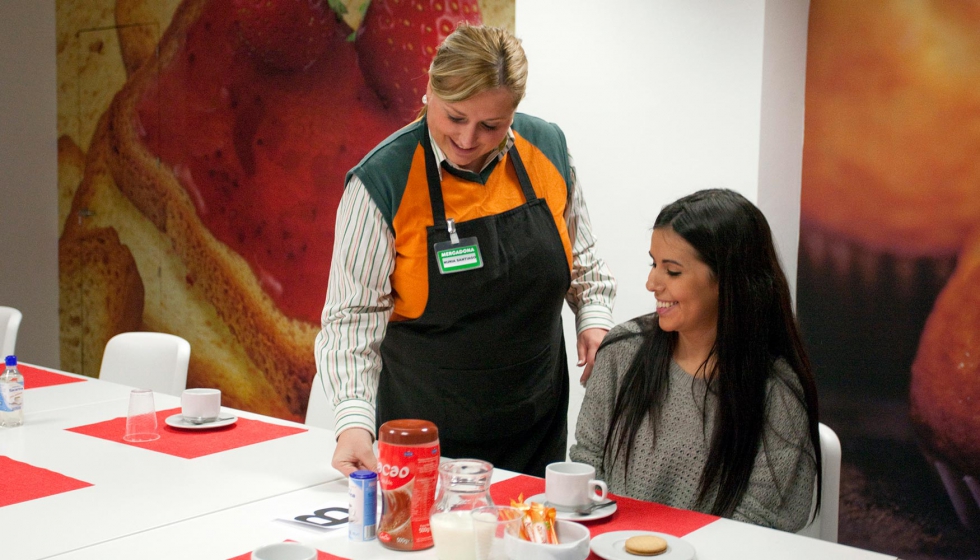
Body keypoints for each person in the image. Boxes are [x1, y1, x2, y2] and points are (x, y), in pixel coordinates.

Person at [315, 24, 616, 478]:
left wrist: (594, 321)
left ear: (513, 112)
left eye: (491, 125)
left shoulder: (548, 150)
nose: (468, 139)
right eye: (455, 117)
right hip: (424, 440)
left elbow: (584, 260)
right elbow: (350, 319)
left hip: (536, 427)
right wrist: (354, 423)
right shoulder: (383, 182)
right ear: (429, 90)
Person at [570, 189, 820, 532]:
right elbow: (586, 466)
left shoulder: (776, 392)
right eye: (653, 264)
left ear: (729, 281)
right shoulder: (622, 352)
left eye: (672, 272)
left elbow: (759, 526)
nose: (651, 283)